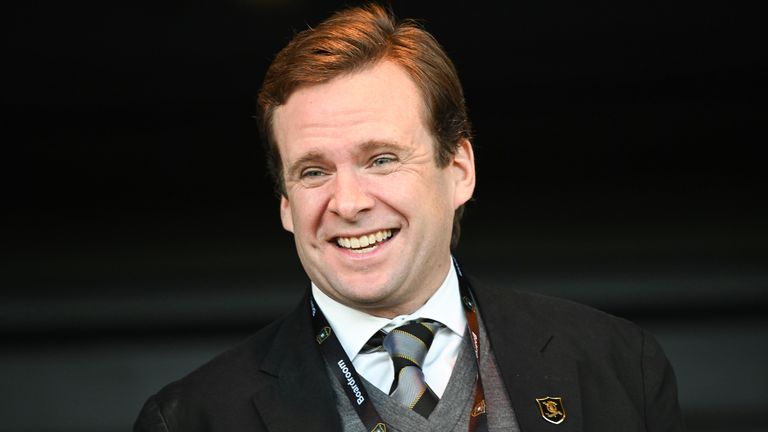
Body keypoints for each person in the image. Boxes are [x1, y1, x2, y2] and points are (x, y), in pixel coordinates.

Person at [134, 3, 685, 431]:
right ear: (285, 204)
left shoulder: (618, 368)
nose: (348, 203)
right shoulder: (191, 420)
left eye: (381, 159)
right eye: (313, 172)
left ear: (459, 170)